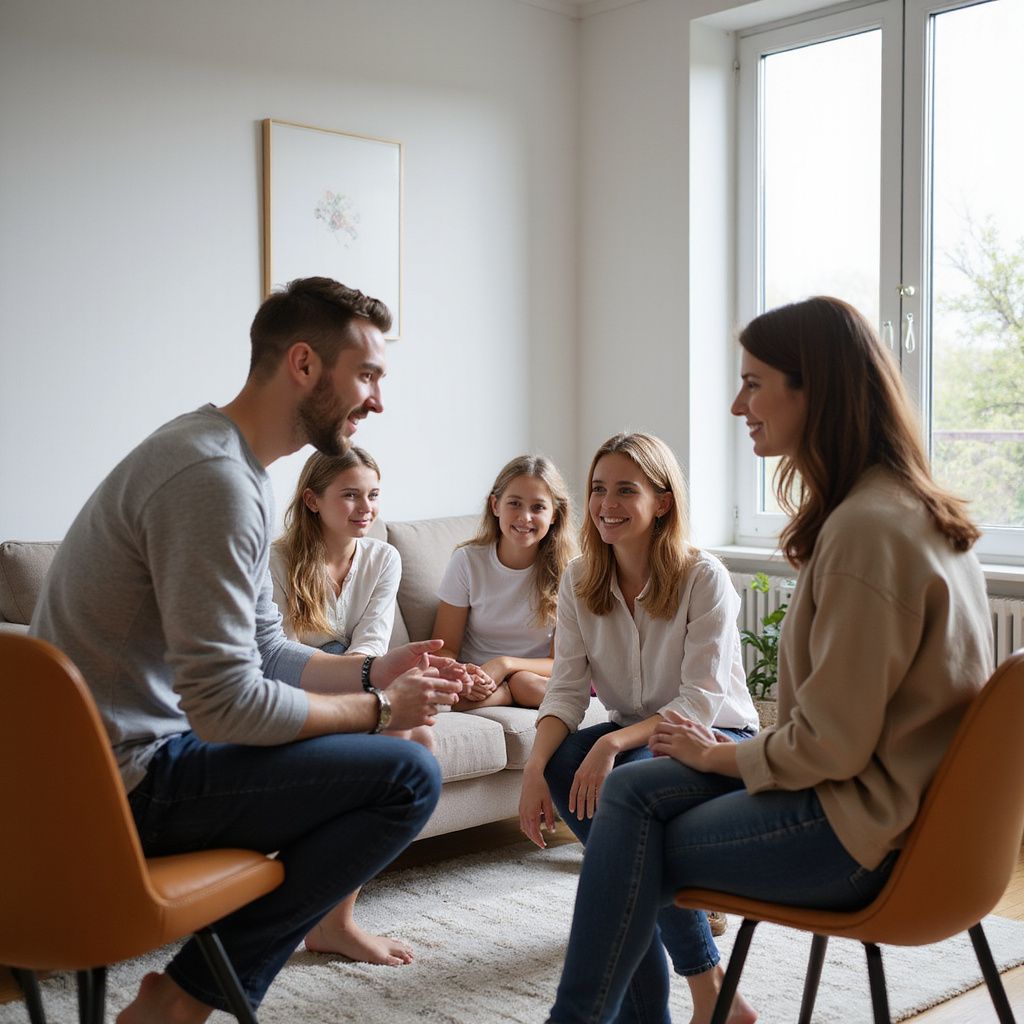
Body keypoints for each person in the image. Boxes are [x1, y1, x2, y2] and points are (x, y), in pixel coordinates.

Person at [543, 296, 994, 1024]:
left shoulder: (865, 533)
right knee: (629, 797)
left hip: (860, 832)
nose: (735, 404)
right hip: (916, 817)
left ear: (813, 387)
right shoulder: (906, 509)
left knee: (630, 829)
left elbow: (826, 747)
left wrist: (716, 756)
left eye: (754, 382)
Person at [30, 277, 466, 1024]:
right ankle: (187, 996)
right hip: (117, 791)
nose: (378, 402)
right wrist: (380, 709)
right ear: (304, 364)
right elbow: (228, 705)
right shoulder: (213, 481)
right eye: (367, 375)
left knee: (393, 758)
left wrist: (372, 668)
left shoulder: (218, 458)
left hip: (104, 770)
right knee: (406, 775)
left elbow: (264, 648)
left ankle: (192, 988)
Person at [519, 431, 759, 1018]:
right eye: (599, 489)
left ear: (663, 501)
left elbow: (701, 700)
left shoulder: (705, 578)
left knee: (628, 802)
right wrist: (531, 769)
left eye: (627, 490)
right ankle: (706, 1004)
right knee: (566, 765)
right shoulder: (579, 580)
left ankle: (706, 989)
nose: (607, 505)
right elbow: (568, 690)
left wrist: (615, 745)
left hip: (715, 739)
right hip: (638, 745)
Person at [270, 445, 427, 966]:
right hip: (289, 690)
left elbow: (373, 644)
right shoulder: (277, 559)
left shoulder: (383, 557)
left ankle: (336, 919)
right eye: (351, 495)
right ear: (313, 500)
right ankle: (333, 922)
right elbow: (277, 657)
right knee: (397, 742)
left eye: (373, 495)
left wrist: (363, 686)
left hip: (356, 677)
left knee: (418, 740)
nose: (366, 507)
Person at [433, 454, 576, 710]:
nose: (525, 517)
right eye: (515, 503)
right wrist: (463, 673)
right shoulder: (467, 561)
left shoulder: (568, 572)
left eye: (538, 507)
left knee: (527, 685)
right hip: (477, 676)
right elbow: (445, 648)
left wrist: (504, 665)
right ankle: (504, 694)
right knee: (445, 695)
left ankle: (509, 692)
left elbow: (559, 662)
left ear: (555, 514)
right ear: (495, 505)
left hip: (534, 677)